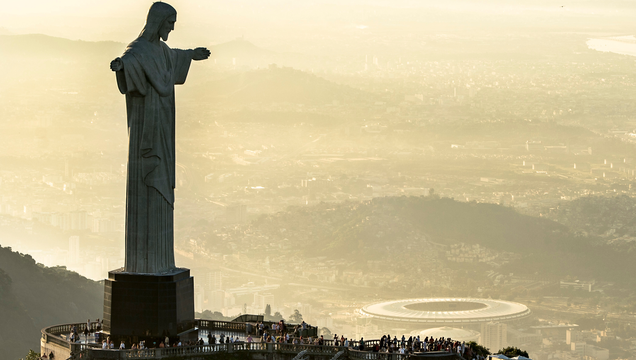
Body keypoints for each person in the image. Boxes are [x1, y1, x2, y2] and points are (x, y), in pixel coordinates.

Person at [110, 1, 210, 274]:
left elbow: (175, 57)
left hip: (164, 124)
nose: (173, 27)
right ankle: (143, 264)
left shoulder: (163, 52)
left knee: (162, 186)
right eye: (170, 23)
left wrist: (192, 55)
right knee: (145, 187)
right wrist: (120, 66)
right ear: (158, 22)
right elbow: (128, 61)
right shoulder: (138, 50)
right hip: (147, 126)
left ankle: (162, 262)